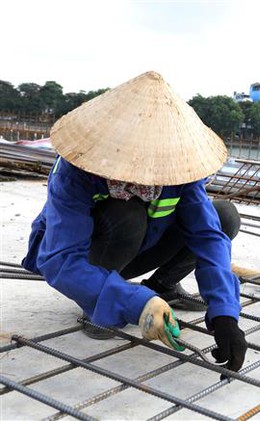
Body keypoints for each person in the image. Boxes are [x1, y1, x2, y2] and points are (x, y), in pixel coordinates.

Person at [21, 71, 247, 373]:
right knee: (128, 216)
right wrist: (134, 303)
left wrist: (224, 314)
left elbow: (208, 237)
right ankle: (98, 302)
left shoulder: (177, 170)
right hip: (87, 261)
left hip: (141, 247)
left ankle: (162, 286)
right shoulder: (75, 172)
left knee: (223, 217)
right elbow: (60, 260)